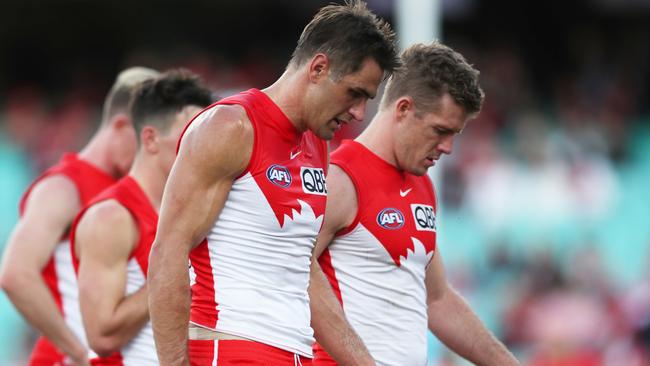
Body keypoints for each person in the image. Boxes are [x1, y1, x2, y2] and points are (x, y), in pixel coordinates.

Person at [147, 1, 400, 365]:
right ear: (318, 69)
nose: (359, 113)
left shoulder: (317, 144)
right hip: (232, 348)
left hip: (294, 353)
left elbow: (299, 264)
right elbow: (168, 252)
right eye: (355, 93)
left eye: (367, 99)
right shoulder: (231, 127)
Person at [311, 42, 520, 366]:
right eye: (440, 130)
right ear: (404, 108)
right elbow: (293, 271)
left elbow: (437, 299)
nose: (448, 147)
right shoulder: (340, 180)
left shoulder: (421, 184)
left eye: (455, 134)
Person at [0, 67, 159, 366]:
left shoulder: (125, 189)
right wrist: (74, 350)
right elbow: (16, 275)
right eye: (146, 139)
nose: (149, 154)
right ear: (122, 126)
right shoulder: (63, 187)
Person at [70, 69, 212, 365]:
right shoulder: (111, 217)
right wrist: (173, 274)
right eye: (189, 137)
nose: (201, 151)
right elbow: (102, 336)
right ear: (150, 139)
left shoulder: (203, 210)